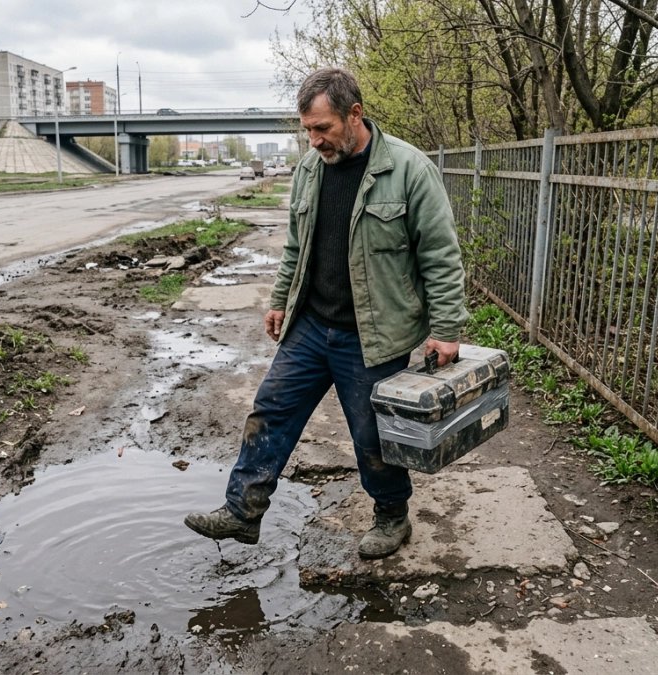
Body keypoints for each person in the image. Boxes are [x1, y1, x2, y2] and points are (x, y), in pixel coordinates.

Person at [185, 67, 467, 559]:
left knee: (371, 436)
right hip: (312, 327)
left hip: (373, 334)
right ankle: (242, 513)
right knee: (270, 411)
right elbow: (297, 246)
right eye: (308, 130)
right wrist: (279, 300)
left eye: (323, 129)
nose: (314, 140)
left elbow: (440, 255)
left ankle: (392, 516)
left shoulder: (408, 169)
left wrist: (446, 329)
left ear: (354, 114)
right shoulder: (309, 171)